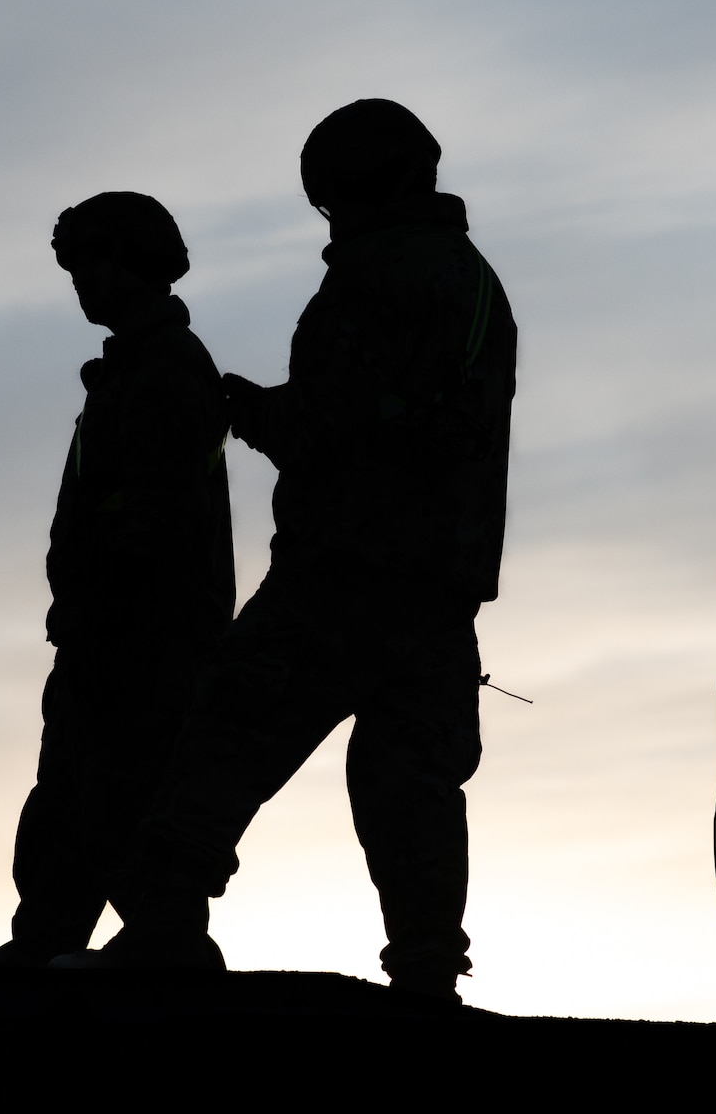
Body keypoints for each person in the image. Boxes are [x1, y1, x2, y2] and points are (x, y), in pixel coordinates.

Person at [72, 100, 516, 1003]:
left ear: (358, 184)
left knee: (223, 739)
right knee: (411, 788)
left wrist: (241, 404)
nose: (331, 217)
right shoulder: (478, 285)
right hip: (438, 594)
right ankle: (428, 969)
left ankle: (160, 925)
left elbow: (331, 426)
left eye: (330, 198)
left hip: (338, 578)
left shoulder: (371, 278)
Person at [0, 193, 235, 968]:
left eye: (91, 262)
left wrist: (105, 627)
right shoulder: (138, 367)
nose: (80, 281)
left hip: (137, 651)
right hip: (122, 645)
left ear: (132, 260)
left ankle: (132, 959)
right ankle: (61, 950)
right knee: (82, 814)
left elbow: (158, 528)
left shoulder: (162, 372)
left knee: (110, 807)